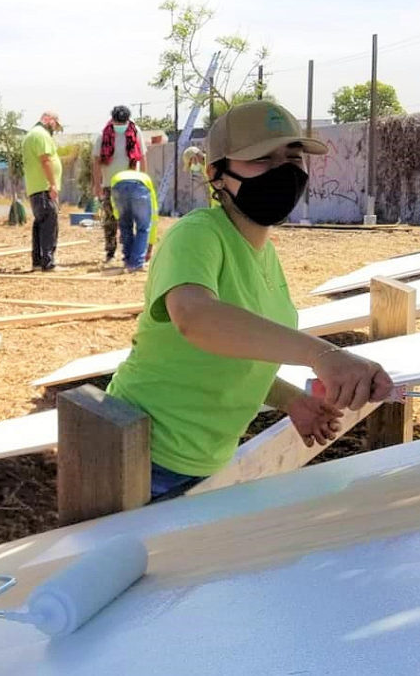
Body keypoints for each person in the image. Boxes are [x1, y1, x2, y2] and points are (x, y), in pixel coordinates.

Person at [106, 101, 394, 502]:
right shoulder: (198, 234)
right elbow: (195, 318)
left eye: (293, 157)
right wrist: (323, 356)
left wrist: (290, 400)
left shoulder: (265, 253)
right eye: (262, 159)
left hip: (201, 465)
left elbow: (234, 356)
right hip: (142, 460)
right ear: (216, 175)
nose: (284, 170)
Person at [93, 105, 147, 263]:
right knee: (110, 220)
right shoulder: (103, 134)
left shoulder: (135, 132)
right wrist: (97, 185)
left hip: (131, 183)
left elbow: (142, 157)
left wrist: (144, 179)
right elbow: (96, 162)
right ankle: (110, 252)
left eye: (123, 123)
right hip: (109, 185)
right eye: (118, 124)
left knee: (129, 218)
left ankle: (128, 251)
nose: (121, 127)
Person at [21, 111, 64, 271]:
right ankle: (48, 262)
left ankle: (38, 262)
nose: (55, 129)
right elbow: (45, 160)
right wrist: (52, 184)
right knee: (49, 223)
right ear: (49, 121)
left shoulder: (31, 135)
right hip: (44, 187)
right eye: (55, 124)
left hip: (36, 188)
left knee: (40, 223)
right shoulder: (41, 135)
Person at [109, 168, 159, 272]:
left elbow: (113, 203)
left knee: (125, 226)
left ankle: (128, 261)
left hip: (118, 185)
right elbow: (153, 215)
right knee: (143, 228)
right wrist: (150, 245)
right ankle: (136, 263)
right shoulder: (146, 179)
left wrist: (118, 218)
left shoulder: (117, 175)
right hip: (139, 186)